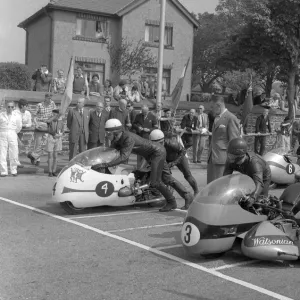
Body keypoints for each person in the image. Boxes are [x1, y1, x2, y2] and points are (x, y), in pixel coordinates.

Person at [91, 119, 178, 212]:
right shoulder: (117, 139)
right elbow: (109, 152)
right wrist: (96, 161)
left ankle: (171, 202)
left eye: (109, 134)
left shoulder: (128, 138)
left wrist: (105, 165)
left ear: (115, 133)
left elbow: (124, 157)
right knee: (136, 173)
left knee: (156, 181)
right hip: (146, 156)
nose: (107, 136)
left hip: (156, 153)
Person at [149, 129, 195, 209]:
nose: (158, 145)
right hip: (168, 159)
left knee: (187, 176)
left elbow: (183, 151)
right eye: (155, 144)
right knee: (166, 178)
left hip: (180, 157)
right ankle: (176, 198)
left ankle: (196, 191)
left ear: (163, 140)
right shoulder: (154, 147)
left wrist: (174, 163)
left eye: (160, 143)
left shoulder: (171, 143)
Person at [223, 138, 271, 204]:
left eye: (231, 156)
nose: (229, 159)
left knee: (261, 200)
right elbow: (226, 178)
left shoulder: (254, 163)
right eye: (229, 155)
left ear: (239, 156)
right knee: (244, 197)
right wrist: (225, 193)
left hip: (263, 175)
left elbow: (259, 183)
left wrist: (253, 197)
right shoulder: (231, 160)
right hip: (247, 173)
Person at [207, 95, 240, 184]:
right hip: (212, 157)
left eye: (212, 107)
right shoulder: (216, 117)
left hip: (223, 158)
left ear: (218, 105)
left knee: (220, 185)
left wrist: (232, 160)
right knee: (211, 185)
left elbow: (234, 141)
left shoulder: (231, 118)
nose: (211, 109)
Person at [27, 93, 56, 166]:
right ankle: (37, 160)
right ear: (45, 98)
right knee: (38, 143)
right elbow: (34, 116)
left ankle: (34, 156)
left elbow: (55, 114)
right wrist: (36, 123)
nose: (50, 100)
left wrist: (50, 120)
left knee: (45, 144)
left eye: (51, 98)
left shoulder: (52, 104)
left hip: (47, 125)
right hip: (40, 124)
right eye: (48, 98)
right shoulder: (39, 105)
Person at [0, 101, 22, 177]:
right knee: (2, 153)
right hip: (3, 133)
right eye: (8, 107)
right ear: (6, 107)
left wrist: (13, 132)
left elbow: (19, 127)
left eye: (11, 107)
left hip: (12, 133)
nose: (10, 108)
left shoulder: (17, 116)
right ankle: (3, 171)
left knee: (14, 152)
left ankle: (13, 170)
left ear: (14, 107)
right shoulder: (1, 115)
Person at [45, 109, 64, 177]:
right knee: (50, 155)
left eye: (57, 115)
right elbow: (47, 125)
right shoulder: (50, 120)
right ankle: (50, 171)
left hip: (58, 138)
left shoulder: (61, 121)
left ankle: (54, 171)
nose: (56, 116)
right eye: (54, 114)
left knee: (55, 156)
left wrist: (60, 134)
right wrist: (53, 117)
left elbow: (62, 130)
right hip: (51, 137)